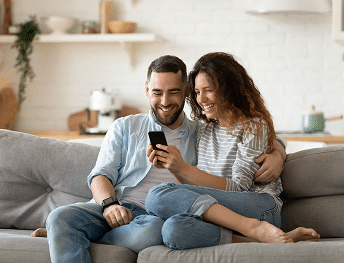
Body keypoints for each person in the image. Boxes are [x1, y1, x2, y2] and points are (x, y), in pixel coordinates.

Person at [32, 55, 286, 262]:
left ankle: (73, 236)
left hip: (150, 218)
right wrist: (110, 205)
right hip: (113, 206)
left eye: (173, 92)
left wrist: (278, 152)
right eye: (157, 92)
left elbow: (248, 132)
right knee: (59, 217)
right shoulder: (124, 126)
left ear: (186, 91)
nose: (164, 102)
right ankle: (66, 230)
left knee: (154, 232)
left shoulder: (200, 130)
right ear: (146, 90)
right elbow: (100, 175)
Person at [145, 52, 320, 249]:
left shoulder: (253, 127)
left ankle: (254, 227)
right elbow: (202, 190)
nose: (201, 99)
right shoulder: (204, 131)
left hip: (259, 207)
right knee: (173, 230)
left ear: (229, 89)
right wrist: (174, 169)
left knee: (156, 196)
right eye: (197, 92)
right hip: (223, 212)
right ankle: (258, 238)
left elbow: (238, 187)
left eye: (208, 90)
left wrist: (183, 168)